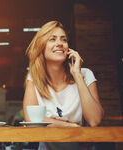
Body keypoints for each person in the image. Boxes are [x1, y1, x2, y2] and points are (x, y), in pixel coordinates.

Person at [23, 20, 104, 150]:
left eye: (64, 40)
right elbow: (31, 120)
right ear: (41, 46)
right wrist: (69, 125)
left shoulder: (85, 74)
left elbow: (95, 120)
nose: (59, 44)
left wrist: (77, 75)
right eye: (52, 39)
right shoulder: (34, 78)